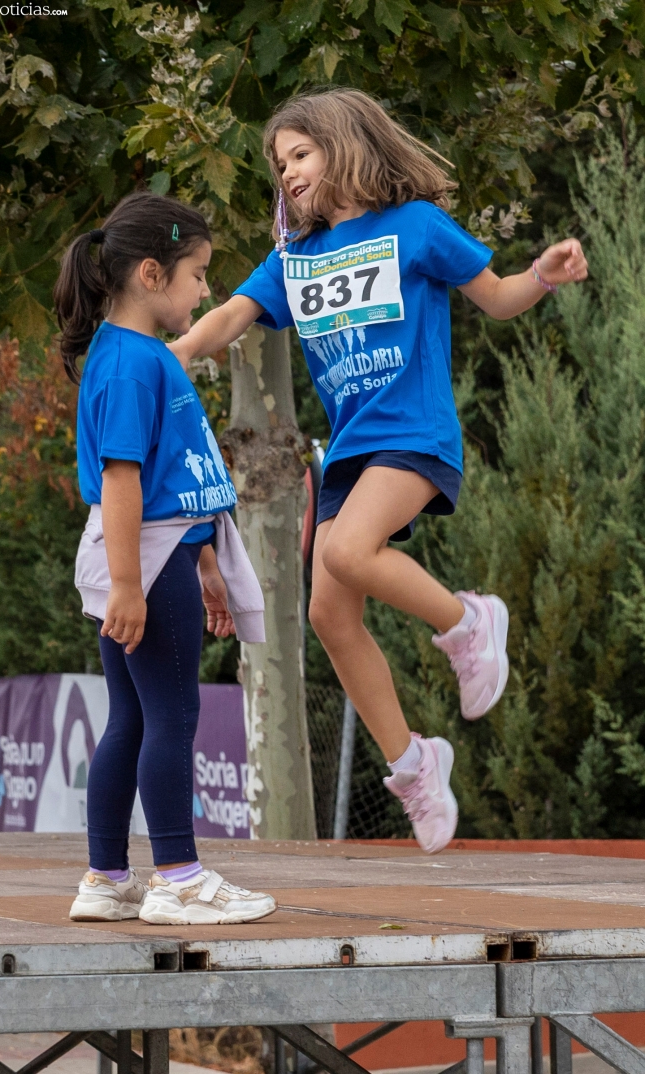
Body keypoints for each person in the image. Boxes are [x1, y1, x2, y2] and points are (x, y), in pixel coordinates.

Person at [171, 89, 589, 855]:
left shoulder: (415, 228)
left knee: (344, 553)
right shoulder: (297, 258)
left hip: (414, 432)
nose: (288, 172)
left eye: (300, 154)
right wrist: (182, 350)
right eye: (279, 164)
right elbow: (232, 313)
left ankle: (469, 622)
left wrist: (546, 274)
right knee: (330, 613)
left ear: (344, 144)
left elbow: (496, 300)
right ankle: (415, 766)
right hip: (353, 449)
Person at [54, 191, 275, 924]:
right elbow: (122, 479)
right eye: (199, 273)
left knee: (133, 716)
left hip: (161, 556)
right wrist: (129, 585)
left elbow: (177, 474)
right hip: (143, 563)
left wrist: (205, 561)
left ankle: (106, 877)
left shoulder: (140, 357)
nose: (206, 288)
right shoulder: (129, 365)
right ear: (151, 273)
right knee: (172, 714)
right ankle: (177, 876)